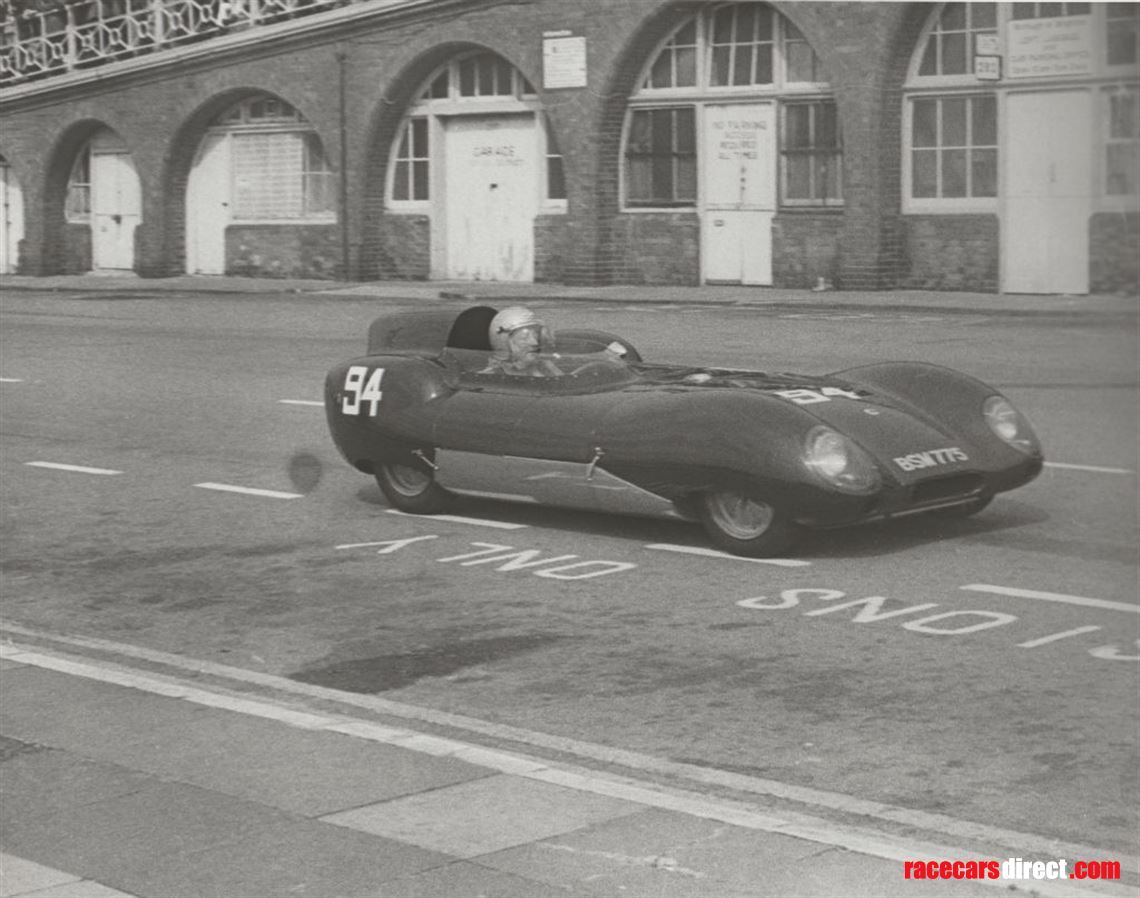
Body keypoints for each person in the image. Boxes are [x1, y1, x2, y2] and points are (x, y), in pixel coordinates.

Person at [481, 306, 563, 377]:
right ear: (503, 342)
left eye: (536, 336)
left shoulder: (546, 367)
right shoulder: (490, 377)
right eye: (524, 338)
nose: (535, 342)